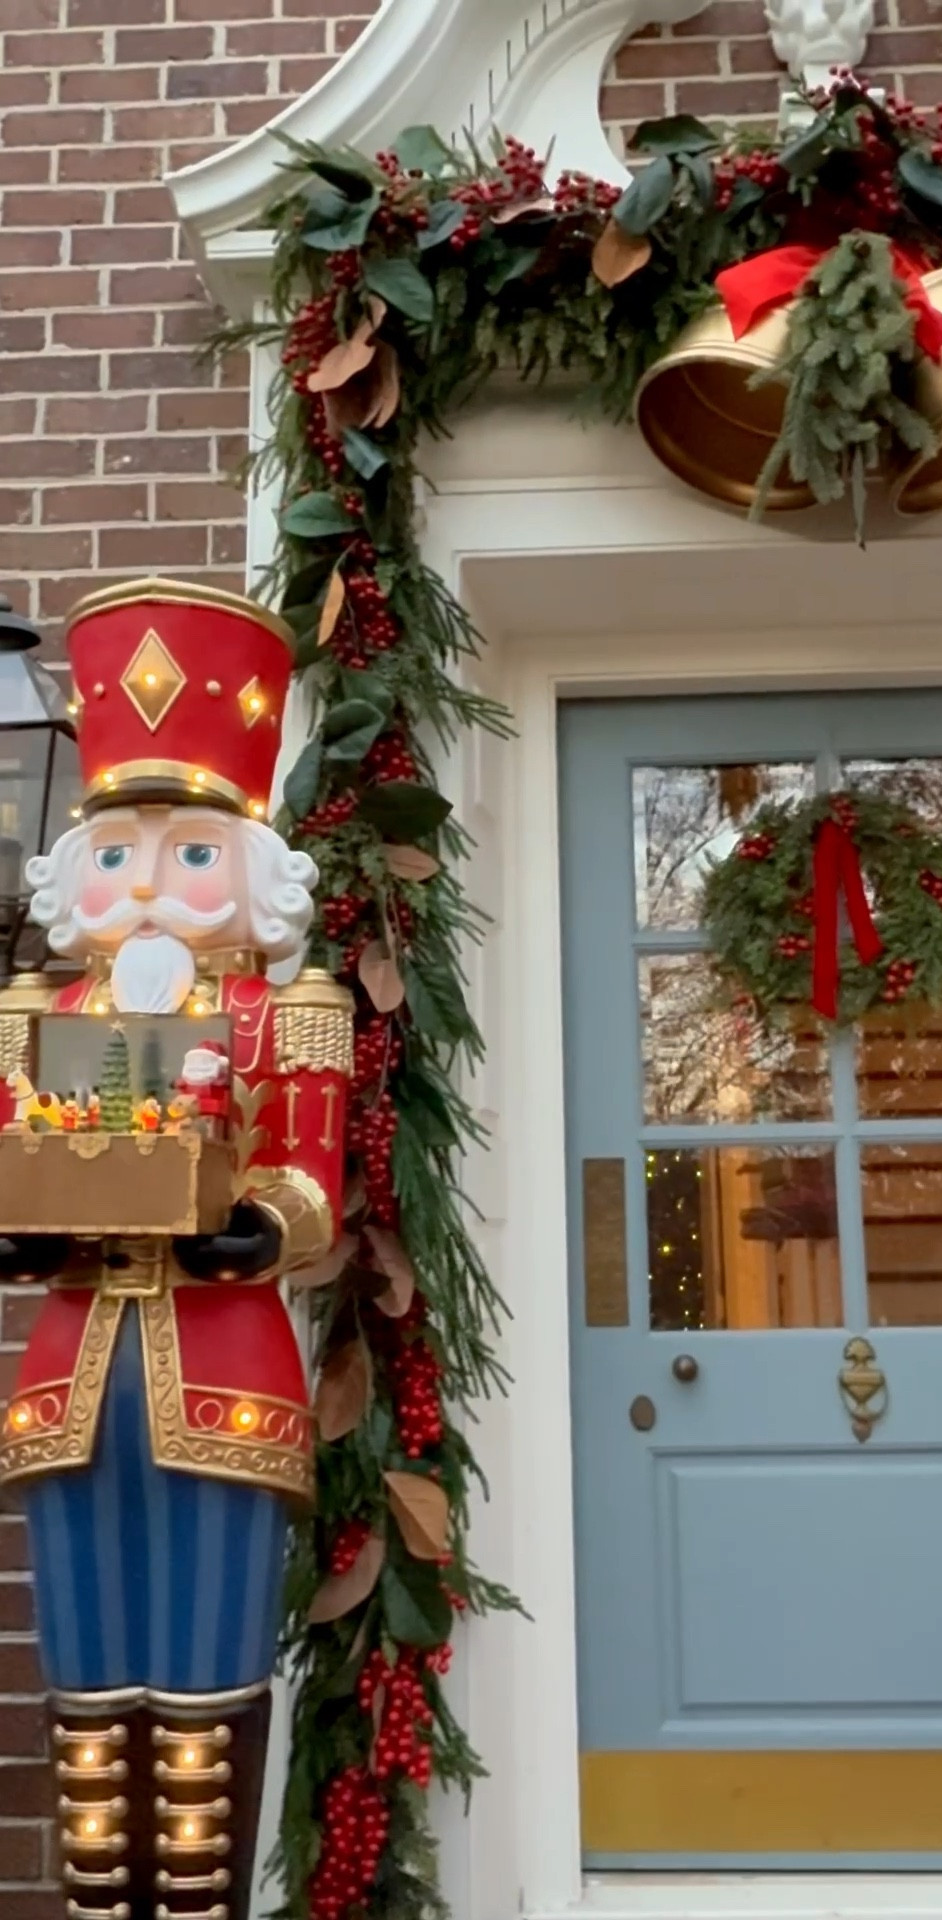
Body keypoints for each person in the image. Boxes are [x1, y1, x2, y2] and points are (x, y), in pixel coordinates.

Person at [0, 578, 351, 1920]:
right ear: (73, 873)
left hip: (221, 1366)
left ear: (252, 874)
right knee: (88, 1681)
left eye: (191, 852)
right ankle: (101, 1903)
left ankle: (199, 1905)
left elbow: (313, 1187)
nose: (146, 882)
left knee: (203, 1680)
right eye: (119, 853)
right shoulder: (34, 1015)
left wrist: (258, 1226)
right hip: (72, 1376)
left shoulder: (288, 1013)